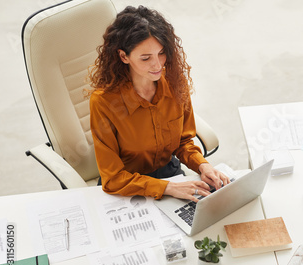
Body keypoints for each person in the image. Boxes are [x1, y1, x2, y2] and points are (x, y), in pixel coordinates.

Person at [88, 5, 229, 202]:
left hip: (170, 174)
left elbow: (183, 141)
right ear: (124, 56)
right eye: (145, 58)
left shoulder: (175, 83)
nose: (157, 65)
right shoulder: (104, 102)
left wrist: (202, 165)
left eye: (161, 53)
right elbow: (112, 179)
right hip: (128, 187)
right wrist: (167, 188)